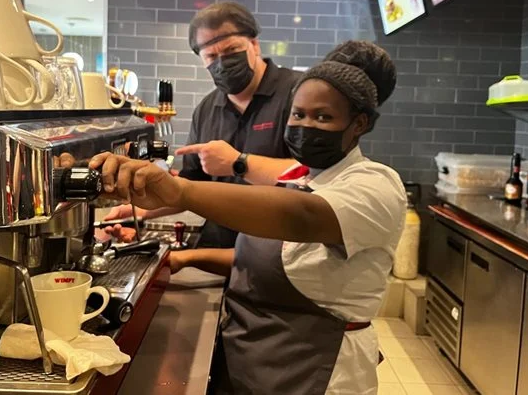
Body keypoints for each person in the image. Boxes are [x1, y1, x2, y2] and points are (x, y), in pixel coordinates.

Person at [90, 40, 407, 395]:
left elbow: (299, 218)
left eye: (323, 117)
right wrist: (183, 258)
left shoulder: (374, 184)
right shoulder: (299, 178)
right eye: (298, 114)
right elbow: (265, 259)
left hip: (314, 371)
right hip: (251, 360)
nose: (305, 126)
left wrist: (181, 191)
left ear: (359, 123)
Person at [101, 1, 299, 248]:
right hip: (217, 247)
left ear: (254, 44)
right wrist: (140, 212)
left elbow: (316, 178)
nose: (222, 62)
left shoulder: (297, 95)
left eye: (231, 50)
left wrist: (239, 163)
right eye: (211, 56)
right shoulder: (207, 110)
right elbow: (190, 187)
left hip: (279, 251)